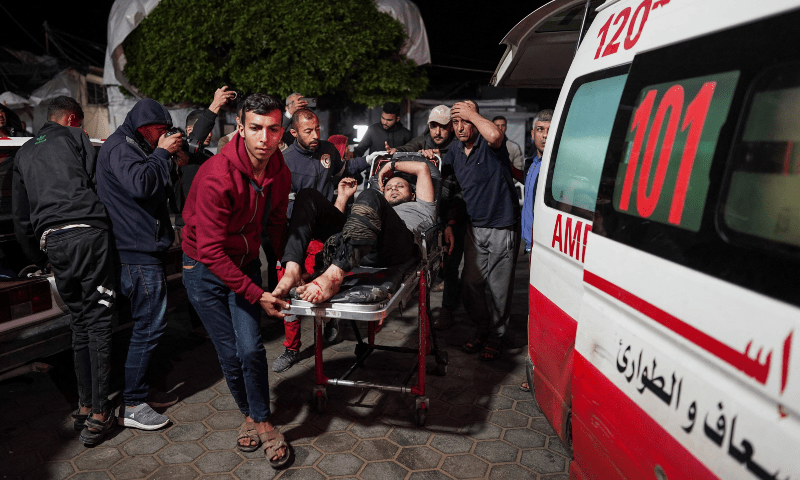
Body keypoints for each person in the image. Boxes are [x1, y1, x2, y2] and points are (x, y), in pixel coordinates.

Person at [181, 93, 292, 468]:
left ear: (281, 131)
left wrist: (286, 267)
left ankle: (257, 418)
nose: (265, 138)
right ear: (240, 128)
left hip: (243, 262)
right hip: (203, 268)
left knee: (251, 350)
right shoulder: (217, 175)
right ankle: (255, 417)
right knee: (229, 353)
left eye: (273, 129)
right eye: (256, 128)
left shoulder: (279, 169)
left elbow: (276, 222)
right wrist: (258, 294)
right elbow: (211, 251)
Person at [12, 96, 117, 445]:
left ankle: (85, 406)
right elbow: (97, 183)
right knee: (98, 321)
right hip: (88, 233)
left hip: (52, 241)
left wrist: (37, 255)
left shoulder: (24, 152)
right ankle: (100, 413)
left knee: (79, 322)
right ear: (72, 118)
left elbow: (21, 217)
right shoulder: (75, 137)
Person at [96, 99, 182, 431]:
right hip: (136, 254)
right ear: (144, 127)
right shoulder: (122, 147)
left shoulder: (133, 145)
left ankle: (142, 392)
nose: (164, 135)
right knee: (149, 326)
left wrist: (164, 158)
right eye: (161, 130)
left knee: (149, 325)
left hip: (142, 250)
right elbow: (141, 185)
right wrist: (161, 153)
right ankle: (132, 403)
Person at [271, 110, 371, 373]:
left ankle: (331, 322)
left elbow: (344, 169)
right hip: (298, 235)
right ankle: (292, 348)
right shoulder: (284, 162)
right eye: (308, 131)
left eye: (317, 129)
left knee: (328, 281)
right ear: (294, 133)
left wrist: (368, 161)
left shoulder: (328, 150)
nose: (316, 135)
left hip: (328, 232)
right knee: (290, 290)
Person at [273, 156, 436, 306]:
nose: (394, 189)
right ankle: (293, 269)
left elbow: (422, 168)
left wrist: (390, 166)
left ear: (413, 195)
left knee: (370, 195)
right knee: (307, 195)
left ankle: (334, 276)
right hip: (358, 246)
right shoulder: (374, 205)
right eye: (389, 188)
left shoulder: (422, 205)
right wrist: (342, 198)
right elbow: (342, 229)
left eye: (400, 186)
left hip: (396, 246)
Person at [441, 100, 520, 362]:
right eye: (456, 122)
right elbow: (449, 181)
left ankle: (496, 337)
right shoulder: (455, 150)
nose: (460, 127)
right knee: (471, 283)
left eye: (466, 121)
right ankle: (482, 327)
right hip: (474, 228)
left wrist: (472, 114)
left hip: (501, 225)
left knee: (499, 290)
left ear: (476, 120)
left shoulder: (490, 144)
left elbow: (495, 135)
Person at [518, 109, 551, 393]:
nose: (545, 135)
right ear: (532, 134)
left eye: (550, 130)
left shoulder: (556, 166)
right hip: (532, 245)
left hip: (546, 248)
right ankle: (537, 368)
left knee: (543, 311)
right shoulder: (533, 163)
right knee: (535, 308)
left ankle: (542, 372)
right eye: (541, 130)